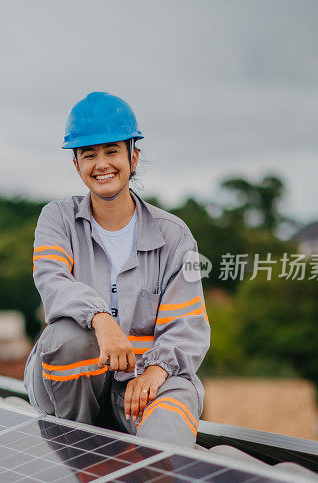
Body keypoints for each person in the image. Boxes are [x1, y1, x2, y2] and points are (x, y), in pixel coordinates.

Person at [24, 92, 210, 447]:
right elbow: (52, 280)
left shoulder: (174, 236)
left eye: (111, 151)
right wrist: (101, 319)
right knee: (69, 338)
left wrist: (154, 373)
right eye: (89, 154)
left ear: (133, 157)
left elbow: (187, 324)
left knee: (178, 400)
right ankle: (78, 447)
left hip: (140, 380)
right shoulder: (57, 219)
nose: (101, 164)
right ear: (76, 164)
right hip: (70, 387)